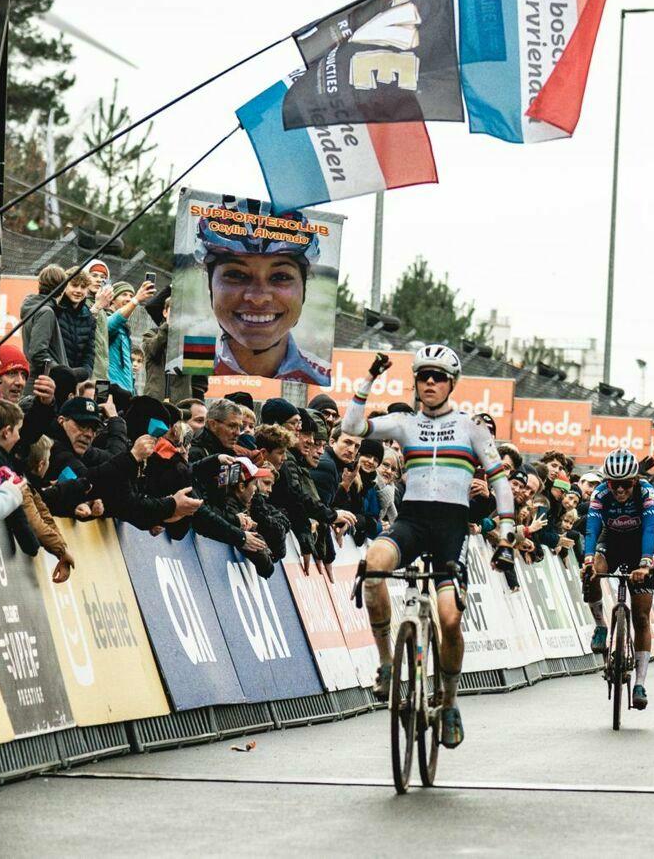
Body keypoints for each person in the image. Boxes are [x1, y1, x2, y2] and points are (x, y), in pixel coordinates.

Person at [341, 345, 515, 749]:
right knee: (372, 566)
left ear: (451, 384)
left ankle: (450, 703)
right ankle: (386, 664)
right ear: (416, 382)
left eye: (438, 377)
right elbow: (352, 425)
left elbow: (501, 482)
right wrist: (368, 379)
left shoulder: (472, 428)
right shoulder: (404, 424)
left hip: (451, 527)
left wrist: (506, 531)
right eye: (424, 376)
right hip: (413, 520)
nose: (431, 383)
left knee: (450, 619)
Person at [195, 198, 331, 385]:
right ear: (210, 285)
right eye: (236, 274)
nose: (258, 298)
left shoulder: (322, 378)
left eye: (280, 277)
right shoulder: (186, 365)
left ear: (304, 288)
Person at [583, 447, 654, 711]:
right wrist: (588, 559)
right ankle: (601, 625)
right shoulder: (600, 493)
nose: (620, 491)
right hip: (611, 542)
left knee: (640, 616)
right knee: (591, 573)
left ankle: (639, 682)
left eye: (625, 485)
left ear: (635, 481)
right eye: (615, 485)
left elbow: (650, 528)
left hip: (639, 546)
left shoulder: (647, 491)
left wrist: (646, 563)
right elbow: (591, 531)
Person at [106, 280, 155, 394]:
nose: (128, 298)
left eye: (131, 295)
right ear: (112, 299)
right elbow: (108, 326)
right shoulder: (104, 317)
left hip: (125, 390)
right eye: (124, 294)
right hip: (111, 388)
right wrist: (136, 299)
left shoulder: (124, 329)